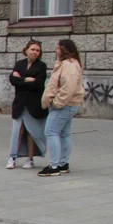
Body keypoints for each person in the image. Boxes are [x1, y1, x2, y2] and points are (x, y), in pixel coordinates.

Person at [39, 38, 85, 177]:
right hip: (69, 104)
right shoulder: (70, 63)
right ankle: (63, 163)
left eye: (58, 48)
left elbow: (68, 87)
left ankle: (54, 166)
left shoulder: (69, 65)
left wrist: (57, 102)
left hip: (64, 105)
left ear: (64, 49)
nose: (56, 50)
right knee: (64, 134)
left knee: (51, 132)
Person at [7, 40, 48, 170]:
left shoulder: (41, 66)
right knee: (17, 131)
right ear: (26, 50)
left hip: (34, 105)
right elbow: (13, 80)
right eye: (33, 49)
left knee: (32, 132)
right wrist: (26, 80)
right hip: (20, 103)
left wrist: (21, 79)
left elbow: (38, 84)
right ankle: (12, 157)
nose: (35, 52)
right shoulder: (19, 64)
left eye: (37, 50)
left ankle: (30, 159)